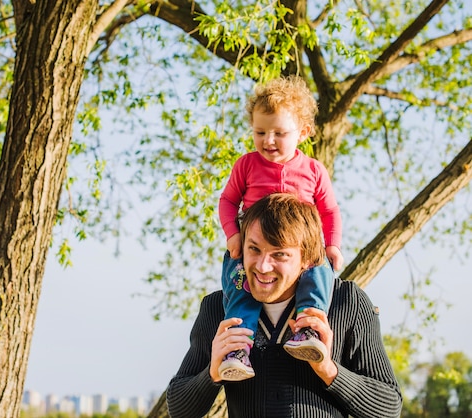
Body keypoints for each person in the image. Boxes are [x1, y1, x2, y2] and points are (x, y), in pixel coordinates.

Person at [167, 193, 402, 418]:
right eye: (254, 249)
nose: (262, 266)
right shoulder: (217, 308)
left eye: (279, 255)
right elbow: (178, 408)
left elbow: (389, 407)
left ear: (307, 259)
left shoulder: (347, 302)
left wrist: (328, 370)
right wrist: (212, 373)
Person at [218, 75, 343, 380]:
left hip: (304, 248)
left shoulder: (313, 170)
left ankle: (308, 329)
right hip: (250, 247)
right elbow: (227, 201)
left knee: (318, 276)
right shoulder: (246, 165)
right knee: (241, 291)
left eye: (279, 133)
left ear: (303, 132)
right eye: (260, 132)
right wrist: (233, 235)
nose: (268, 140)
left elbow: (329, 210)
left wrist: (332, 245)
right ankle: (238, 350)